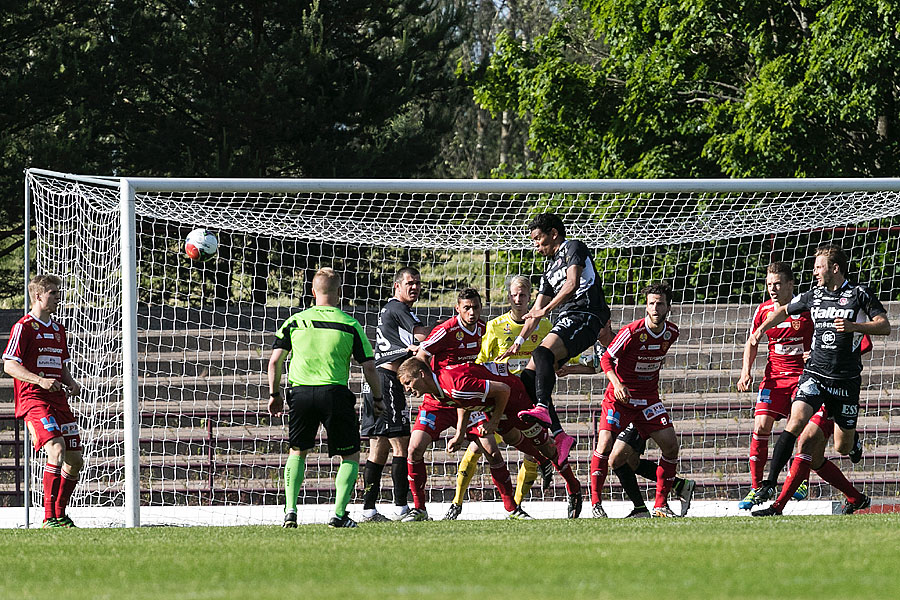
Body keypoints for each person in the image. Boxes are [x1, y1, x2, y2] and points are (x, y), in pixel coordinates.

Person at [748, 244, 890, 516]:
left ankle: (854, 442)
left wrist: (854, 327)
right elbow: (783, 310)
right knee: (796, 424)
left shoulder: (859, 295)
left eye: (819, 267)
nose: (814, 272)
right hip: (815, 375)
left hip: (846, 382)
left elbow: (884, 326)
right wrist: (761, 330)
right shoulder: (813, 296)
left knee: (842, 446)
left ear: (834, 268)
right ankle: (768, 484)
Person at [267, 267, 384, 529]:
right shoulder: (349, 323)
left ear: (312, 292)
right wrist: (378, 398)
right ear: (339, 292)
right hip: (334, 393)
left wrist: (274, 395)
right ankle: (339, 514)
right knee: (351, 456)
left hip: (301, 393)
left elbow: (274, 361)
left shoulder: (295, 321)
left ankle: (290, 512)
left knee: (298, 451)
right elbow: (368, 366)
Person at [398, 357, 584, 519]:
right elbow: (463, 402)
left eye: (408, 383)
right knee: (511, 437)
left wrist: (494, 422)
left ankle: (573, 486)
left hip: (516, 399)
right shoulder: (439, 389)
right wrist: (460, 433)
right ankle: (541, 462)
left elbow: (503, 389)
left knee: (548, 448)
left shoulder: (455, 385)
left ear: (422, 374)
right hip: (492, 405)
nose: (407, 390)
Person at [502, 213, 612, 468]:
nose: (536, 245)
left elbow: (572, 284)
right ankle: (560, 435)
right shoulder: (548, 271)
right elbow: (535, 313)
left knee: (542, 354)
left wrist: (546, 310)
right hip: (568, 318)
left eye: (539, 239)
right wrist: (518, 341)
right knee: (527, 381)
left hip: (586, 313)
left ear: (553, 233)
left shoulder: (573, 247)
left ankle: (542, 407)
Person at [444, 275, 554, 521]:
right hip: (498, 400)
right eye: (514, 295)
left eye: (523, 294)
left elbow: (557, 359)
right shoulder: (494, 327)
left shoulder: (544, 326)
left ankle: (515, 507)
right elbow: (479, 364)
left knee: (532, 456)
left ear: (531, 297)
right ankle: (456, 502)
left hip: (530, 401)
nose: (518, 299)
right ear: (508, 297)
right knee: (477, 447)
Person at [589, 282, 684, 518]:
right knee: (605, 446)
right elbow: (606, 360)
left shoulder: (672, 333)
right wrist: (618, 384)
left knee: (671, 446)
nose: (654, 308)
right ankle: (596, 504)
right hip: (620, 398)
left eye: (659, 303)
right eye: (651, 303)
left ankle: (660, 505)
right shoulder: (632, 332)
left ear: (668, 307)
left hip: (648, 400)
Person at [4, 275, 83, 528]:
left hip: (58, 399)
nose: (58, 297)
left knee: (75, 459)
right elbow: (10, 365)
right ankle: (49, 517)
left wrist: (70, 381)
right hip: (33, 399)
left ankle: (60, 515)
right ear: (38, 296)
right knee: (57, 449)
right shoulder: (24, 327)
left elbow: (61, 367)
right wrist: (39, 381)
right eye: (53, 293)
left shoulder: (59, 330)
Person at [403, 287, 487, 521]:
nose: (472, 312)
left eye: (476, 307)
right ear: (457, 309)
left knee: (490, 447)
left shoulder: (485, 330)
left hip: (468, 400)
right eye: (467, 308)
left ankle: (512, 508)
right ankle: (419, 508)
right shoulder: (446, 330)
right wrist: (425, 383)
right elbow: (422, 356)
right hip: (438, 400)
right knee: (414, 448)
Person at [736, 262, 813, 509]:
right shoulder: (763, 310)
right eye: (769, 284)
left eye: (778, 283)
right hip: (774, 378)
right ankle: (756, 488)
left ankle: (799, 480)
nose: (773, 288)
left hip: (802, 377)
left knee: (800, 430)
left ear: (791, 284)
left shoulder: (807, 308)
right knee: (760, 427)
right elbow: (753, 341)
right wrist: (745, 372)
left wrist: (813, 353)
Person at [359, 267, 427, 522]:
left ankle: (368, 509)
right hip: (386, 381)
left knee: (378, 447)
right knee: (402, 444)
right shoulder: (399, 308)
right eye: (410, 282)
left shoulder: (391, 310)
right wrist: (450, 331)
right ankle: (400, 507)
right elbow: (424, 335)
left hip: (376, 381)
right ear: (396, 286)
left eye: (418, 283)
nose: (415, 287)